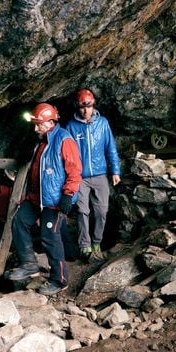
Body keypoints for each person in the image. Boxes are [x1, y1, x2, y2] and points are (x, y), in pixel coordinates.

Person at [6, 103, 82, 296]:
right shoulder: (42, 141)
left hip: (54, 201)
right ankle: (29, 264)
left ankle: (59, 280)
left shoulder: (64, 140)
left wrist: (67, 195)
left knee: (50, 237)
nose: (35, 128)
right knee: (19, 221)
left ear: (50, 122)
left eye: (38, 124)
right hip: (36, 198)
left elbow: (75, 170)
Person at [65, 88, 121, 263]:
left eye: (88, 106)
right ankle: (84, 245)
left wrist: (115, 171)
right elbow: (67, 154)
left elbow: (110, 148)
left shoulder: (103, 123)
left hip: (100, 174)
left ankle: (97, 243)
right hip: (80, 176)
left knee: (102, 211)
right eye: (82, 107)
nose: (85, 111)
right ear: (77, 107)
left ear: (93, 105)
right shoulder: (71, 126)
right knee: (82, 211)